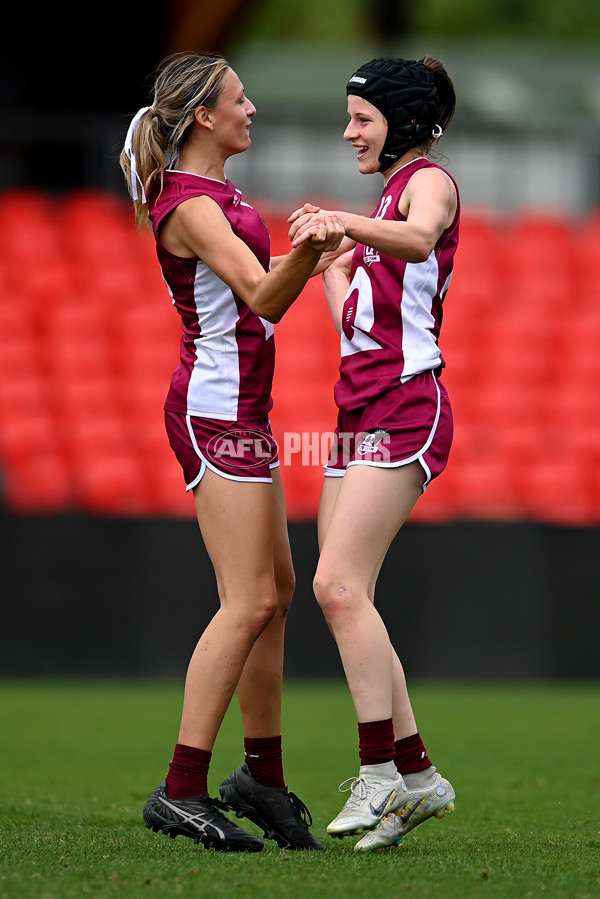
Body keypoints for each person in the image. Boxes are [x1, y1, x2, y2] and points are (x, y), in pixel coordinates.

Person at [119, 52, 343, 853]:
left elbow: (259, 287)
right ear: (204, 117)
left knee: (274, 593)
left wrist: (319, 249)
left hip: (242, 408)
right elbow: (261, 295)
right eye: (240, 100)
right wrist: (314, 250)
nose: (252, 109)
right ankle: (180, 788)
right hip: (216, 413)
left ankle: (261, 780)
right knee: (248, 600)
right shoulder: (189, 202)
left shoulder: (217, 195)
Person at [288, 55, 458, 850]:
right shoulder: (380, 198)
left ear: (404, 120)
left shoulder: (427, 183)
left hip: (405, 405)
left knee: (337, 585)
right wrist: (328, 270)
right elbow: (358, 328)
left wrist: (344, 227)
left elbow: (422, 241)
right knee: (349, 595)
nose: (349, 131)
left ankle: (382, 772)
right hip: (357, 408)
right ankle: (419, 777)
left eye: (361, 118)